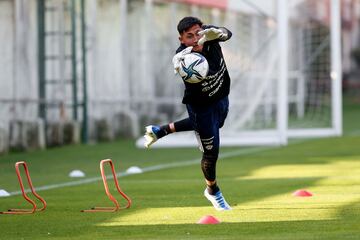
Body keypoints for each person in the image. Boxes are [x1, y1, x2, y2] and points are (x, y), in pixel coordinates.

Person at [144, 16, 232, 211]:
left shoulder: (210, 35)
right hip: (200, 107)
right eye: (189, 36)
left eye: (197, 34)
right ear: (181, 39)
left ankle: (161, 131)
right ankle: (213, 191)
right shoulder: (183, 57)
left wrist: (220, 32)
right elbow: (180, 60)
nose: (195, 39)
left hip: (221, 97)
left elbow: (227, 33)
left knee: (216, 125)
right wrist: (180, 60)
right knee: (211, 153)